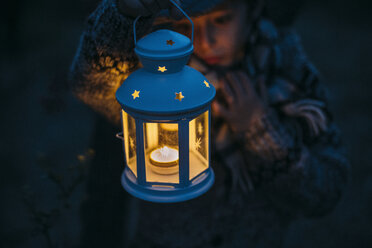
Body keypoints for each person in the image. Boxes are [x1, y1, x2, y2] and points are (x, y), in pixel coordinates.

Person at [69, 0, 350, 247]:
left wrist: (259, 130)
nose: (204, 40)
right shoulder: (154, 80)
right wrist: (122, 15)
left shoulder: (287, 72)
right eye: (183, 26)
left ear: (253, 7)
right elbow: (91, 87)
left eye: (221, 19)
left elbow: (325, 193)